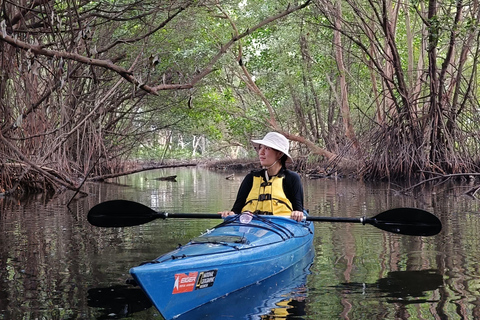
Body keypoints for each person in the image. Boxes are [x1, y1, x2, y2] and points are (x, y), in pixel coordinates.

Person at [219, 132, 305, 222]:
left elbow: (298, 210)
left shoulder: (291, 178)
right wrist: (230, 213)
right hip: (251, 227)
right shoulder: (250, 178)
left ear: (279, 154)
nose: (261, 152)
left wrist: (298, 213)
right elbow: (236, 210)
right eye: (260, 148)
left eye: (267, 148)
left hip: (281, 226)